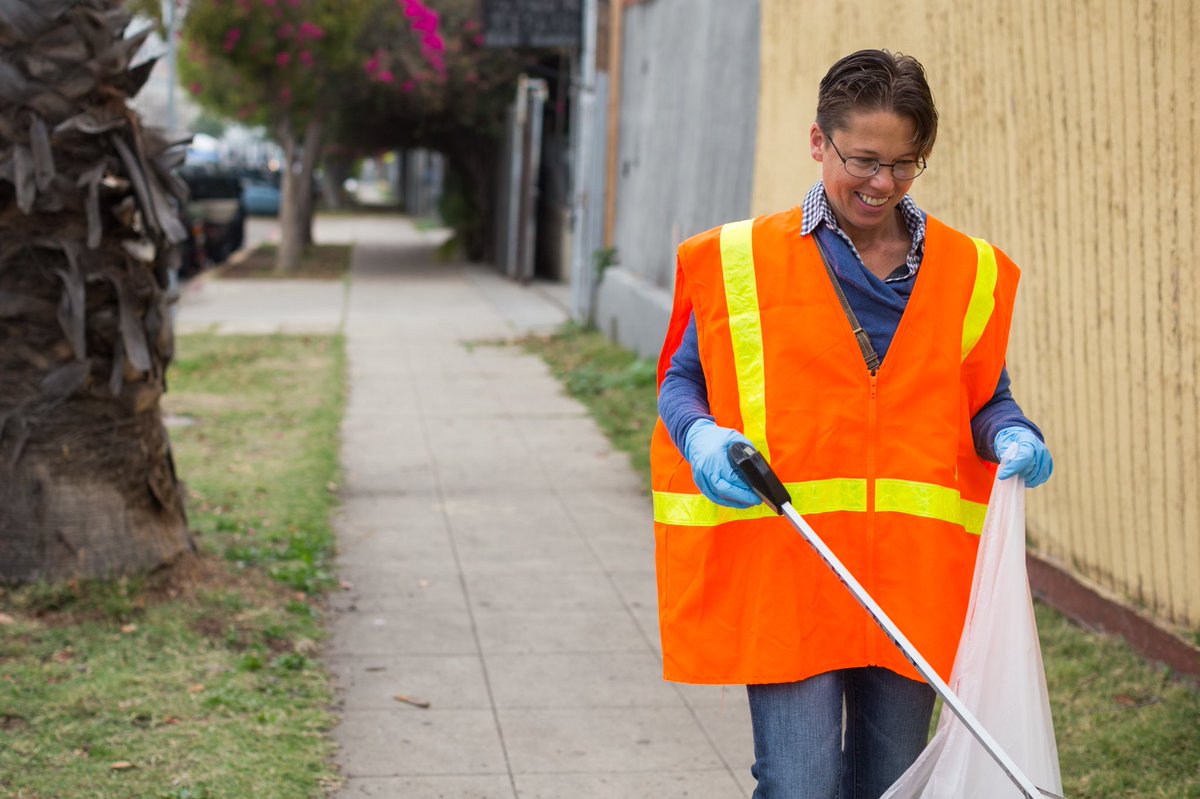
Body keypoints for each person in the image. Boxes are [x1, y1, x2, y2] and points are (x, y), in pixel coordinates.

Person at [650, 49, 1053, 799]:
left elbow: (984, 395)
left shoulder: (968, 269)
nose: (882, 183)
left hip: (911, 577)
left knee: (890, 783)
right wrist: (702, 436)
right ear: (817, 142)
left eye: (906, 164)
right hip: (794, 566)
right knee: (798, 782)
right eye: (863, 159)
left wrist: (1010, 432)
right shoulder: (742, 259)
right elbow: (682, 380)